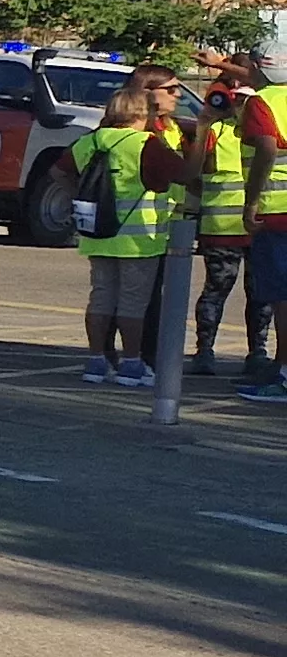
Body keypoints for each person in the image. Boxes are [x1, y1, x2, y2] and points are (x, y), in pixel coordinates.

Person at [66, 82, 184, 386]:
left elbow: (59, 171)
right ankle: (132, 363)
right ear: (141, 112)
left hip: (97, 232)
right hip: (137, 239)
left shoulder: (91, 141)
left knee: (101, 297)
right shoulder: (145, 143)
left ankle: (96, 361)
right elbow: (182, 172)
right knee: (133, 303)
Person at [188, 48, 271, 378]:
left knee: (247, 292)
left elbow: (194, 178)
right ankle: (224, 351)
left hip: (243, 226)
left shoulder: (231, 133)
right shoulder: (226, 132)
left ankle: (241, 352)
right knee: (234, 292)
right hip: (236, 227)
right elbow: (194, 175)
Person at [230, 51, 287, 403]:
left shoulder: (263, 102)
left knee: (283, 298)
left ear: (255, 69)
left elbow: (266, 147)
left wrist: (251, 200)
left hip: (278, 213)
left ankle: (283, 375)